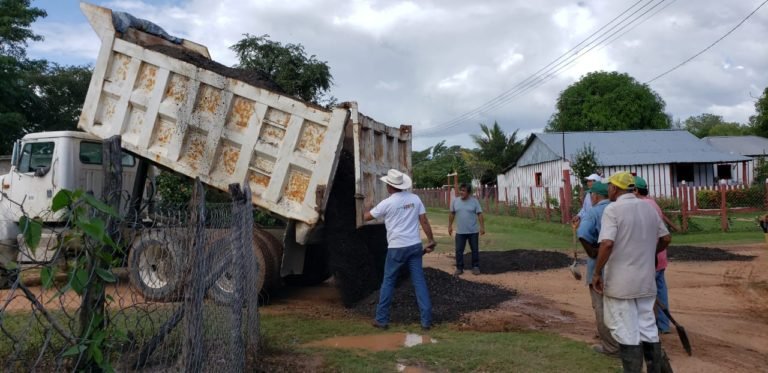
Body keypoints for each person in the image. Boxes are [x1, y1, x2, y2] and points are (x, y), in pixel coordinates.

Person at [592, 172, 671, 373]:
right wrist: (650, 253)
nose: (608, 189)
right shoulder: (648, 207)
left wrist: (597, 272)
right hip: (646, 282)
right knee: (648, 329)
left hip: (621, 284)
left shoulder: (613, 210)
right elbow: (666, 238)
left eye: (610, 186)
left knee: (626, 332)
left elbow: (607, 243)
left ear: (615, 188)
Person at [364, 169, 436, 331]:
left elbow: (367, 217)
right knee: (419, 282)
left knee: (388, 281)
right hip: (414, 246)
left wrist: (366, 207)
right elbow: (424, 221)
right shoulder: (415, 199)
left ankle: (381, 320)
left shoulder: (387, 203)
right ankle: (426, 321)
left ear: (390, 186)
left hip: (396, 248)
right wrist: (431, 240)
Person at [576, 181, 619, 356]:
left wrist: (593, 253)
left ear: (595, 196)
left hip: (599, 266)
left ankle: (611, 346)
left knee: (600, 305)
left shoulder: (594, 212)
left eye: (590, 195)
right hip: (620, 265)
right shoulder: (618, 209)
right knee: (618, 305)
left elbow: (583, 234)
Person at [633, 176, 671, 334]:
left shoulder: (641, 206)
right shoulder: (653, 203)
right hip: (660, 255)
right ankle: (663, 324)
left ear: (635, 190)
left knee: (645, 294)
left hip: (649, 256)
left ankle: (647, 327)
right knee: (660, 290)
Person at [448, 183, 485, 275]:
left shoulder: (474, 201)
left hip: (473, 231)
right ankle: (459, 268)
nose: (461, 192)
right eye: (461, 190)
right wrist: (449, 226)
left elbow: (479, 214)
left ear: (468, 192)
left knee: (475, 249)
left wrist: (482, 227)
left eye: (464, 191)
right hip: (460, 232)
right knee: (459, 250)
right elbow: (452, 214)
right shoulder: (455, 201)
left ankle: (475, 267)